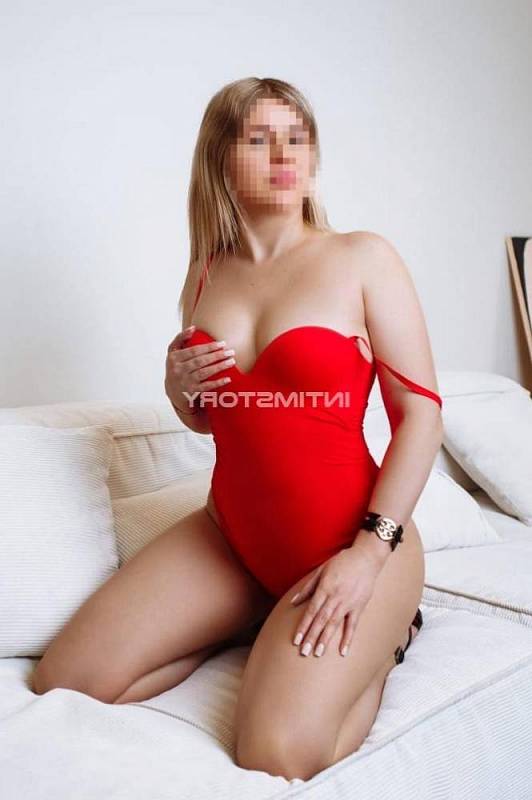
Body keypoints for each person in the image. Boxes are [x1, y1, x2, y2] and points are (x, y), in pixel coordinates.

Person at [32, 77, 443, 783]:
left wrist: (368, 556)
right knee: (65, 680)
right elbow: (219, 416)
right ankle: (248, 618)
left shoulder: (363, 258)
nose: (284, 155)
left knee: (276, 752)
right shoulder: (205, 274)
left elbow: (423, 417)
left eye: (297, 138)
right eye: (259, 139)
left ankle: (389, 636)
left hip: (354, 542)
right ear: (221, 156)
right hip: (232, 540)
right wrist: (179, 391)